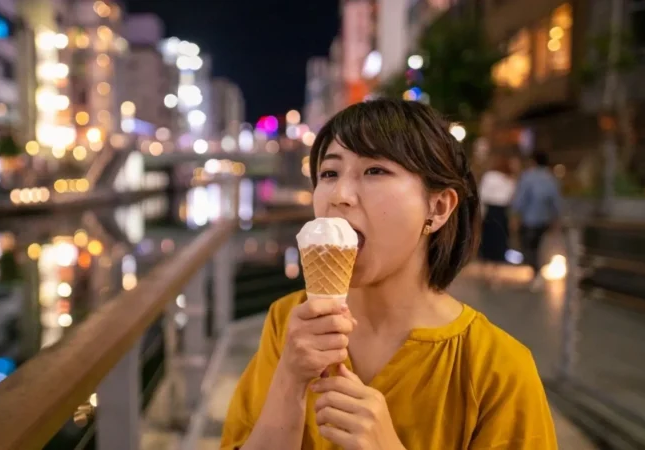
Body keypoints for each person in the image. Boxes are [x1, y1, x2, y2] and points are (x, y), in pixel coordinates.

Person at [220, 100, 557, 450]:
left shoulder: (499, 369)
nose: (339, 195)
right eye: (330, 174)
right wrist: (289, 381)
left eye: (375, 171)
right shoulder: (288, 322)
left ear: (438, 207)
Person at [511, 151, 563, 292]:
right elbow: (556, 201)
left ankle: (535, 272)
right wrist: (556, 218)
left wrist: (515, 215)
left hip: (529, 219)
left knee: (529, 247)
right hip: (544, 219)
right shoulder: (551, 178)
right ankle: (537, 272)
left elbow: (520, 198)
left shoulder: (528, 177)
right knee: (539, 246)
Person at [478, 155, 517, 287]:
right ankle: (494, 274)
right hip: (501, 213)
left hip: (491, 212)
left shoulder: (490, 176)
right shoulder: (509, 180)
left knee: (488, 241)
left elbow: (482, 196)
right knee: (499, 242)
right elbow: (511, 199)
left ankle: (487, 272)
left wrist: (481, 215)